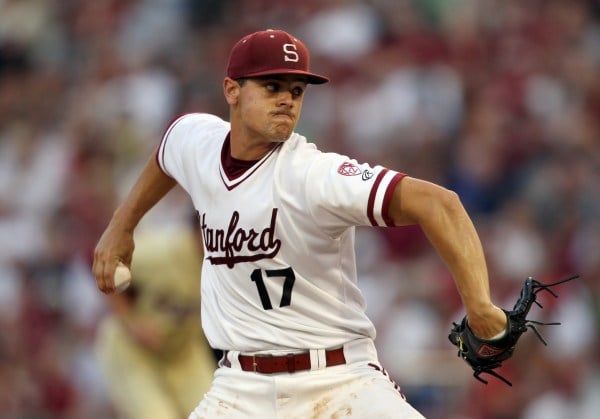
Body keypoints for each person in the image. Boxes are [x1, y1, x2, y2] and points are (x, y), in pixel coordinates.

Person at [93, 29, 507, 418]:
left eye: (296, 90)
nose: (287, 100)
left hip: (338, 379)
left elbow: (439, 203)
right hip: (240, 386)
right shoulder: (196, 140)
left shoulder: (313, 175)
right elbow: (168, 152)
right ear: (232, 90)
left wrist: (480, 306)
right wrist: (122, 226)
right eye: (272, 86)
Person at [95, 226, 216, 419]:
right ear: (200, 229)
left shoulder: (229, 264)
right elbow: (107, 265)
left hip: (184, 352)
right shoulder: (164, 252)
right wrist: (132, 322)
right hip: (135, 351)